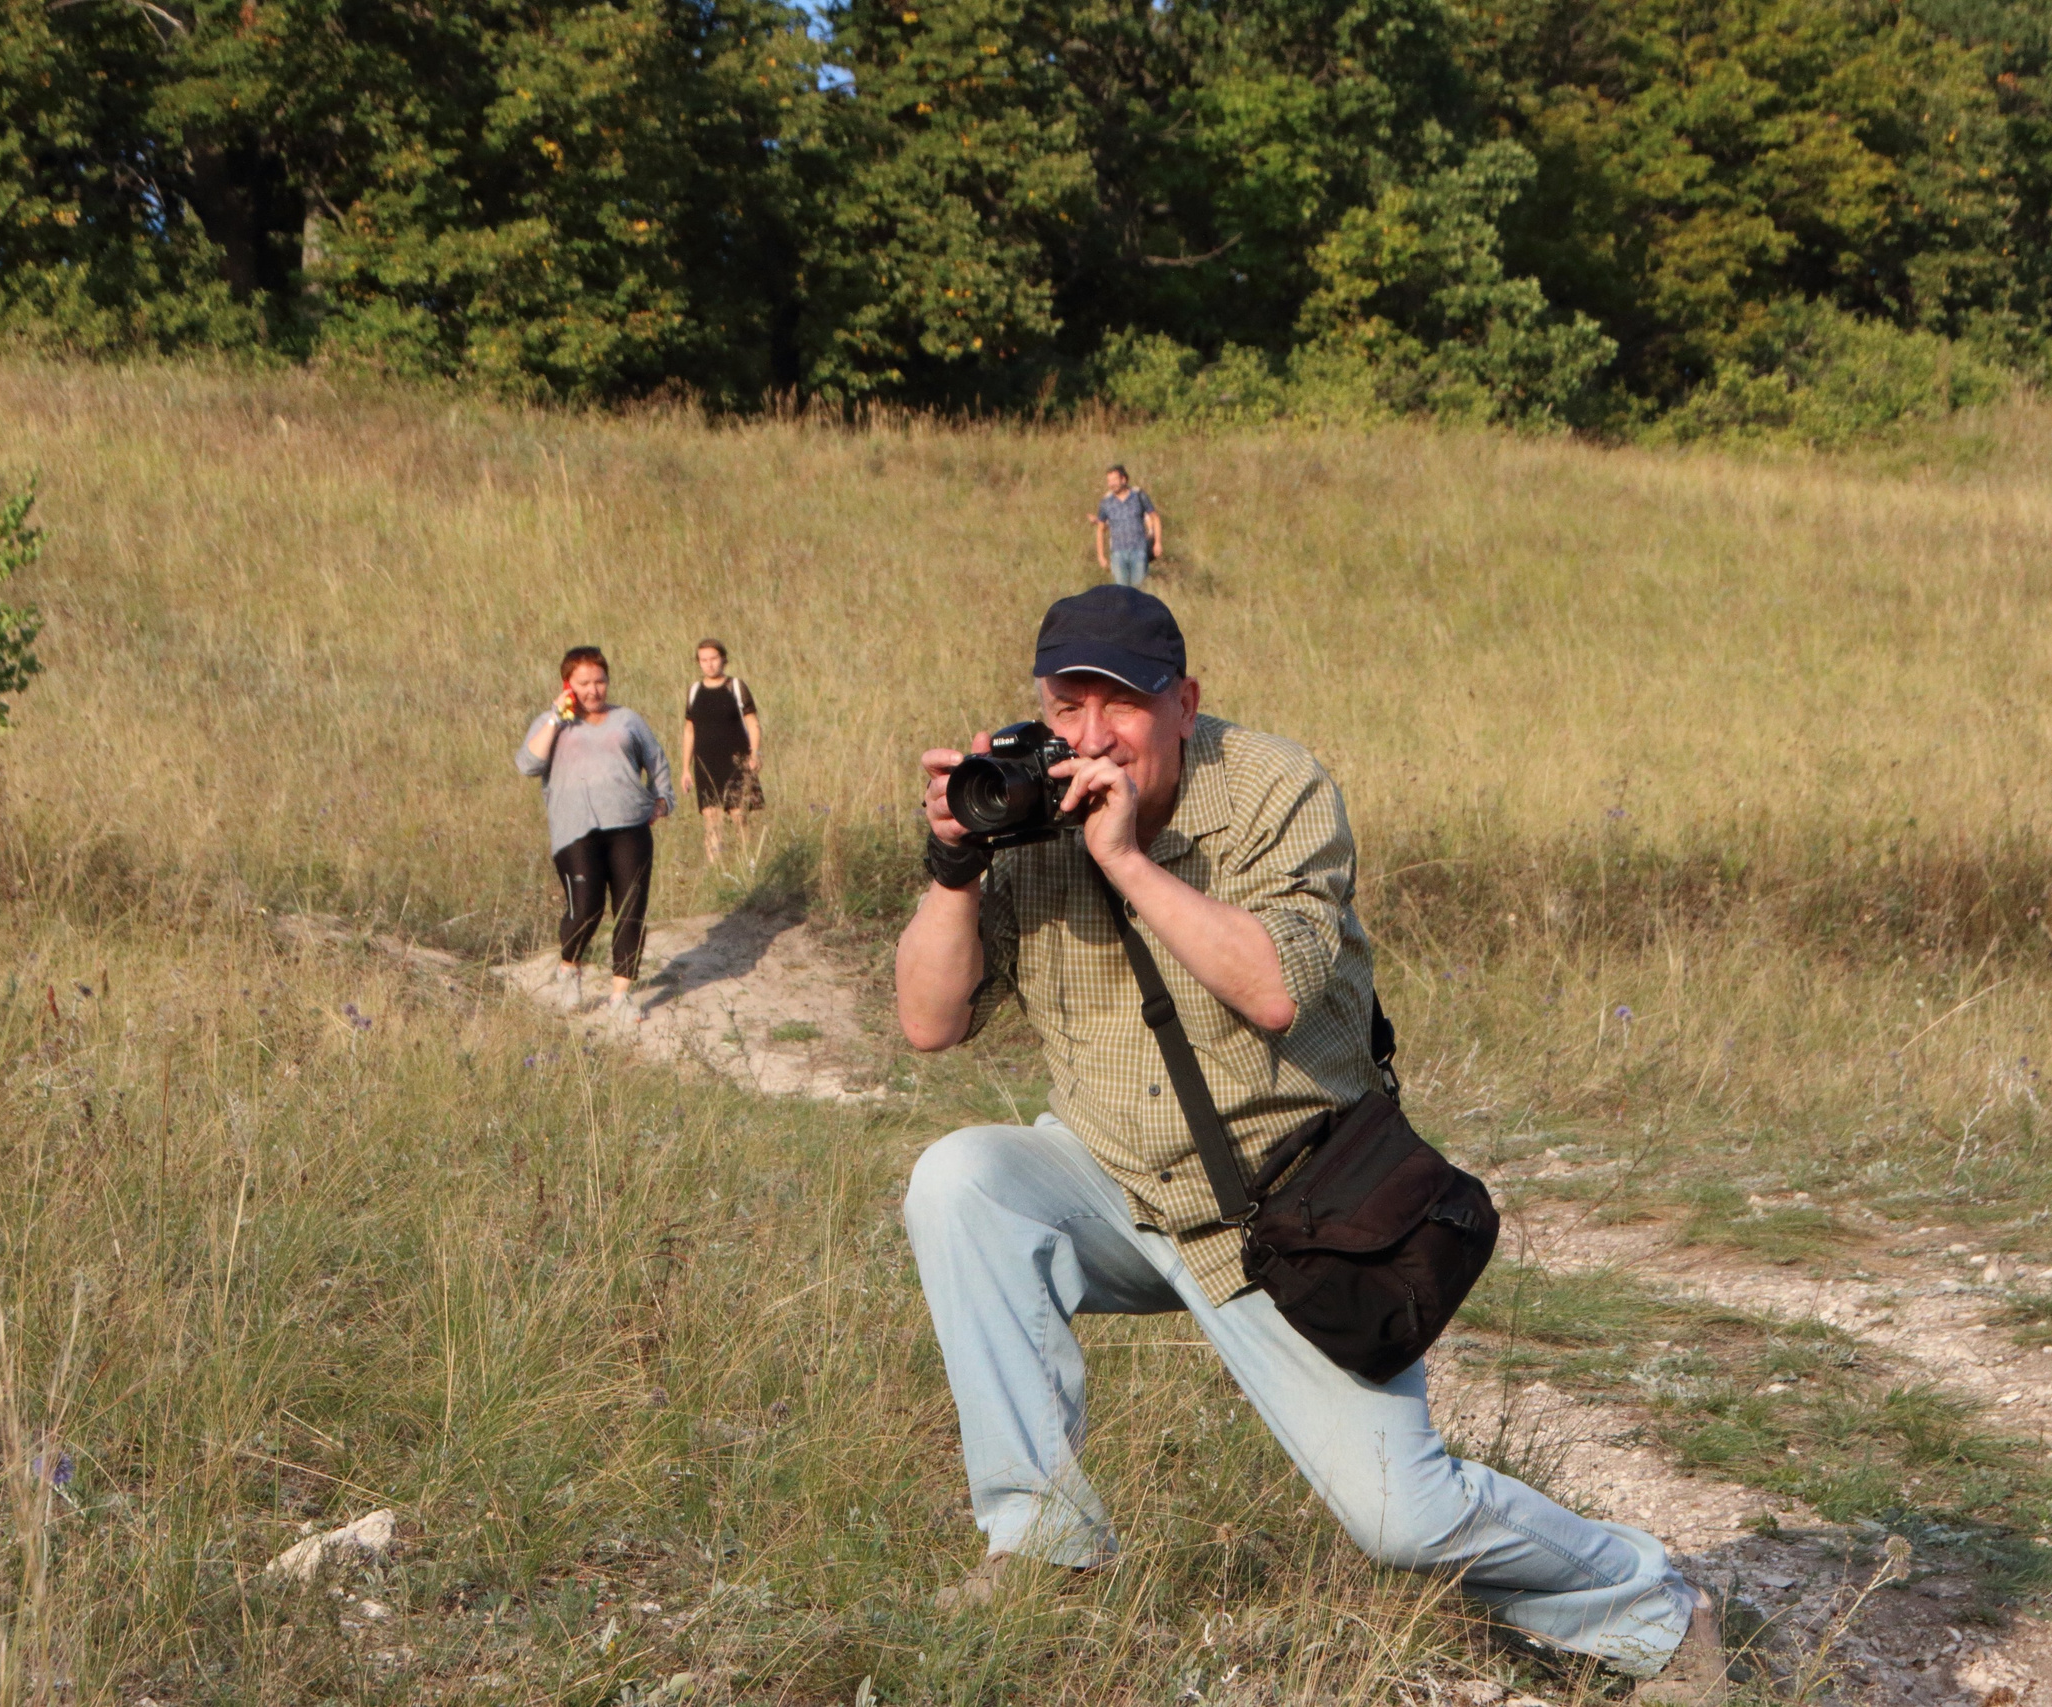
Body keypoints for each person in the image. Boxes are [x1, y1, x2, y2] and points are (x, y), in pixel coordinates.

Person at [892, 585, 1724, 1703]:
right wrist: (953, 863)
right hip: (1112, 1177)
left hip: (1286, 1210)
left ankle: (1655, 1609)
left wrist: (1126, 858)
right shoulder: (1028, 802)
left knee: (1402, 1517)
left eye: (1121, 704)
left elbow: (1275, 990)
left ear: (1185, 704)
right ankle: (1044, 1548)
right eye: (1066, 703)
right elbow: (928, 1024)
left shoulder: (1274, 789)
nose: (1091, 734)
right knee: (961, 1179)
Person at [516, 645, 673, 1017]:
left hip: (630, 825)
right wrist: (556, 717)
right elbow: (528, 764)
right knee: (586, 906)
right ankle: (568, 968)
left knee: (631, 907)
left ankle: (621, 996)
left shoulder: (627, 719)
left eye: (600, 681)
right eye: (584, 683)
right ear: (567, 684)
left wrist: (662, 799)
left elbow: (656, 760)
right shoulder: (552, 722)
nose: (593, 690)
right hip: (575, 829)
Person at [679, 638, 764, 863]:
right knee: (711, 818)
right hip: (706, 763)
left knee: (739, 815)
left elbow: (753, 723)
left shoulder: (736, 686)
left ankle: (748, 866)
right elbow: (689, 730)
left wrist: (755, 753)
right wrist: (685, 768)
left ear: (723, 659)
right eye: (703, 660)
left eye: (713, 658)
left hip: (736, 761)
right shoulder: (694, 691)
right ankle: (716, 870)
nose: (709, 664)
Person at [1091, 465, 1161, 588]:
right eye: (1109, 481)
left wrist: (1157, 543)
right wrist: (1101, 556)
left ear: (1123, 479)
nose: (1111, 484)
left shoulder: (1138, 496)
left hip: (1139, 551)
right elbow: (1100, 529)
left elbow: (1155, 518)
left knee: (1138, 590)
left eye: (1114, 480)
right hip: (1117, 554)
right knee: (1122, 592)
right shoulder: (1106, 502)